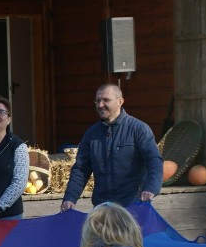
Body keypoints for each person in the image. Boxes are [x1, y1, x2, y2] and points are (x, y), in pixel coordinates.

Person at [61, 83, 163, 211]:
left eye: (106, 100)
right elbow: (81, 170)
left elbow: (154, 160)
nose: (100, 105)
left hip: (133, 207)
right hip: (102, 209)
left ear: (120, 101)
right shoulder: (91, 134)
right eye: (97, 101)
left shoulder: (139, 129)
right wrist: (70, 197)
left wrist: (151, 188)